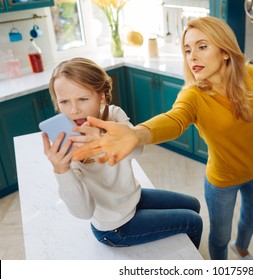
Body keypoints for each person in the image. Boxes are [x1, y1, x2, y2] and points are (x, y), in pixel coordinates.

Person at [71, 17, 253, 260]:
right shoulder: (193, 96)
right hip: (223, 180)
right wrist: (136, 133)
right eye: (187, 50)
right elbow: (174, 120)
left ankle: (242, 248)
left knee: (252, 219)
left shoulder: (249, 74)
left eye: (202, 46)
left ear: (225, 51)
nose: (192, 56)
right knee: (219, 236)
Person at [42, 57, 203, 249]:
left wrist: (104, 139)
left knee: (193, 204)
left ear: (101, 97)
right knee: (193, 221)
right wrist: (62, 170)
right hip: (115, 227)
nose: (74, 110)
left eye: (83, 99)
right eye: (64, 102)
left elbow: (137, 150)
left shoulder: (114, 114)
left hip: (131, 199)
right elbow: (84, 212)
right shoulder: (68, 147)